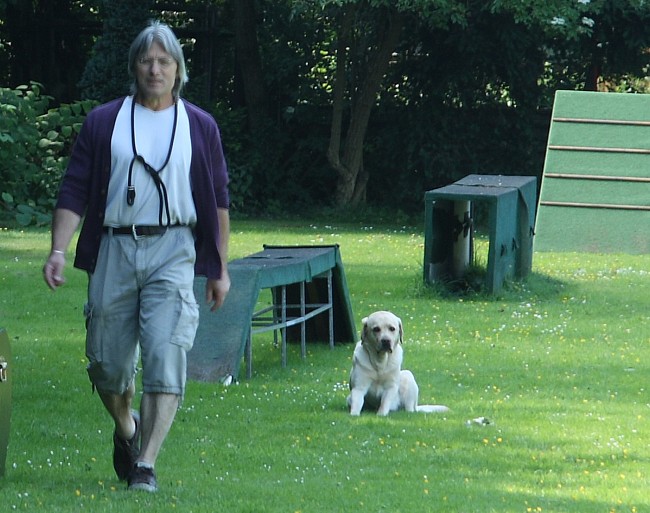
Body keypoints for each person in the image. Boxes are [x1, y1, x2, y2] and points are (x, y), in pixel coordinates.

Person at [42, 20, 230, 493]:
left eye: (164, 61)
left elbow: (219, 199)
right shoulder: (105, 121)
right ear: (134, 67)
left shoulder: (200, 126)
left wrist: (219, 267)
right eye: (146, 60)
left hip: (174, 249)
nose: (154, 69)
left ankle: (145, 464)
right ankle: (127, 429)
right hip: (114, 247)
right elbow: (75, 189)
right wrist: (58, 250)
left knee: (166, 352)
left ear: (178, 70)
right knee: (106, 364)